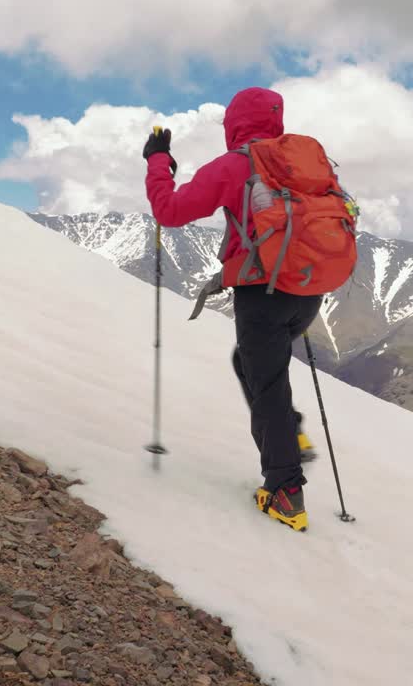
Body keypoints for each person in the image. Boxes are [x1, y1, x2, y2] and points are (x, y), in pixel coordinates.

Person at [143, 87, 319, 532]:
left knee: (267, 385)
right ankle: (290, 434)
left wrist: (158, 161)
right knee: (254, 366)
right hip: (310, 287)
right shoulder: (302, 159)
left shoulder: (232, 166)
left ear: (233, 124)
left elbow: (169, 211)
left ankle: (285, 493)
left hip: (263, 293)